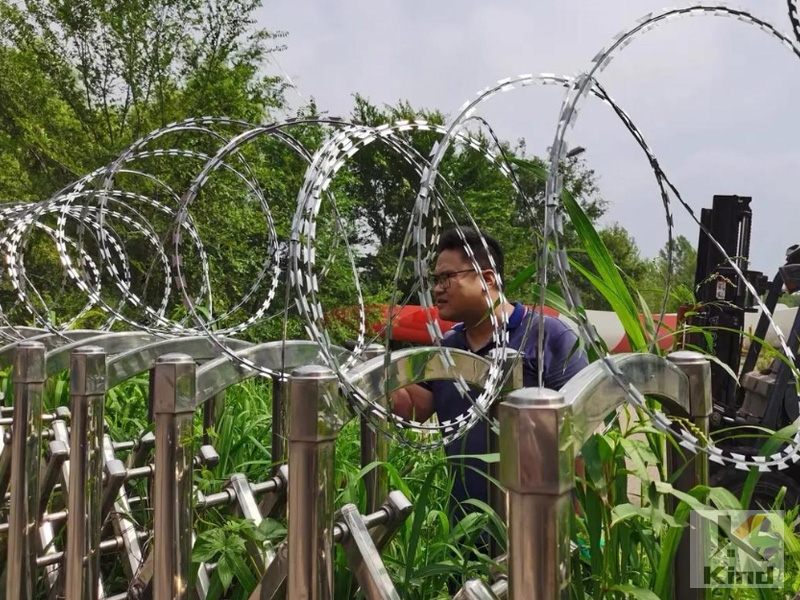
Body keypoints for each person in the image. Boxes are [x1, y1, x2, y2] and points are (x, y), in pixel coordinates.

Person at [392, 226, 589, 519]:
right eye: (435, 280)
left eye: (446, 277)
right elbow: (416, 407)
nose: (437, 289)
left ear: (486, 278)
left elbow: (583, 438)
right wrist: (368, 377)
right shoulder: (448, 347)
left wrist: (586, 531)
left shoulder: (548, 337)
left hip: (538, 527)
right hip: (465, 528)